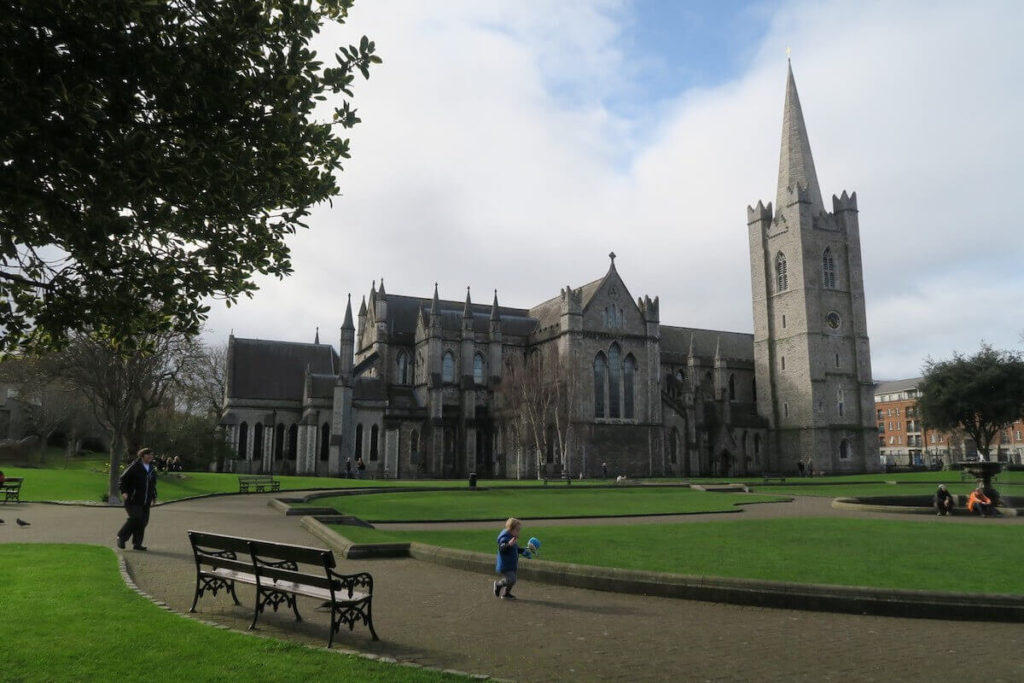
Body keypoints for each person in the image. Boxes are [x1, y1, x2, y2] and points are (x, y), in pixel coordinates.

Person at [116, 447, 158, 551]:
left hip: (145, 500)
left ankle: (137, 544)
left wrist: (153, 495)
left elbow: (152, 484)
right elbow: (122, 479)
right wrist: (124, 491)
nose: (150, 457)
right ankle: (121, 537)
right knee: (136, 518)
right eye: (148, 454)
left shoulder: (152, 468)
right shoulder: (135, 466)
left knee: (143, 522)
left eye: (151, 455)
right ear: (142, 455)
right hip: (132, 499)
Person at [493, 517, 528, 600]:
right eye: (517, 530)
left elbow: (515, 548)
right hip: (505, 565)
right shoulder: (504, 538)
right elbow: (502, 549)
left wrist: (523, 551)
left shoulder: (512, 537)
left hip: (511, 564)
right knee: (511, 579)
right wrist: (509, 544)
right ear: (510, 530)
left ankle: (506, 594)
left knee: (513, 580)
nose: (518, 532)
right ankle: (498, 585)